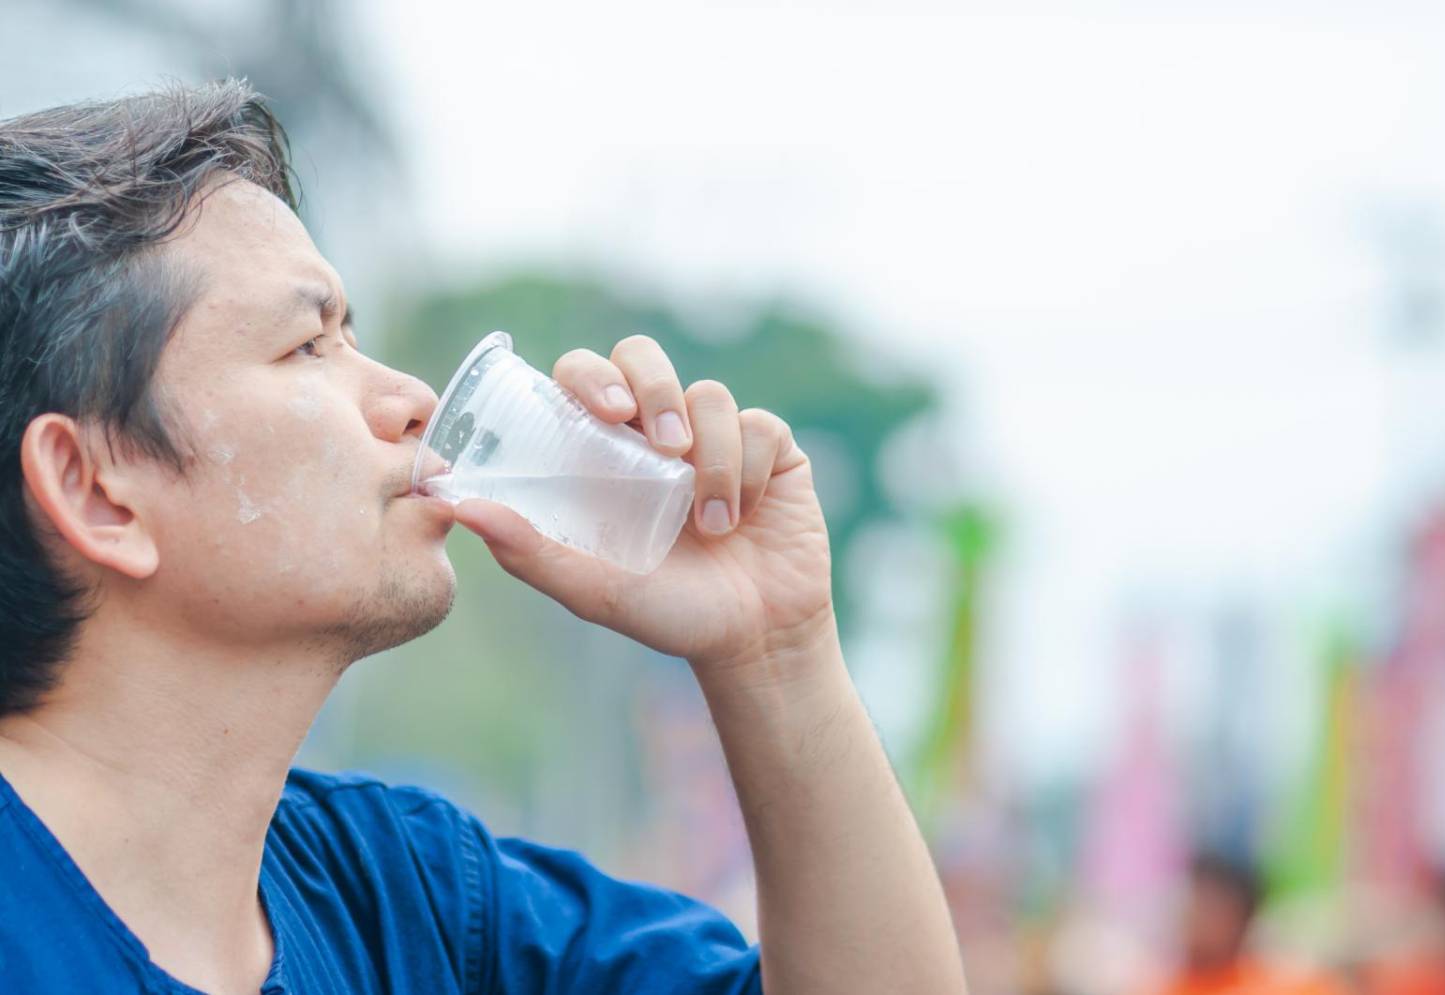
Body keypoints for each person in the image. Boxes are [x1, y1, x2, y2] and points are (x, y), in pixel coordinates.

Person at [0, 79, 966, 994]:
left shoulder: (407, 897)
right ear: (95, 490)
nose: (412, 399)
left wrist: (774, 651)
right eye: (308, 345)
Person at [1147, 853, 1343, 995]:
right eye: (1193, 903)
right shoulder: (1160, 986)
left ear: (1242, 918)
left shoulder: (1292, 986)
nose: (1193, 917)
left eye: (1209, 908)